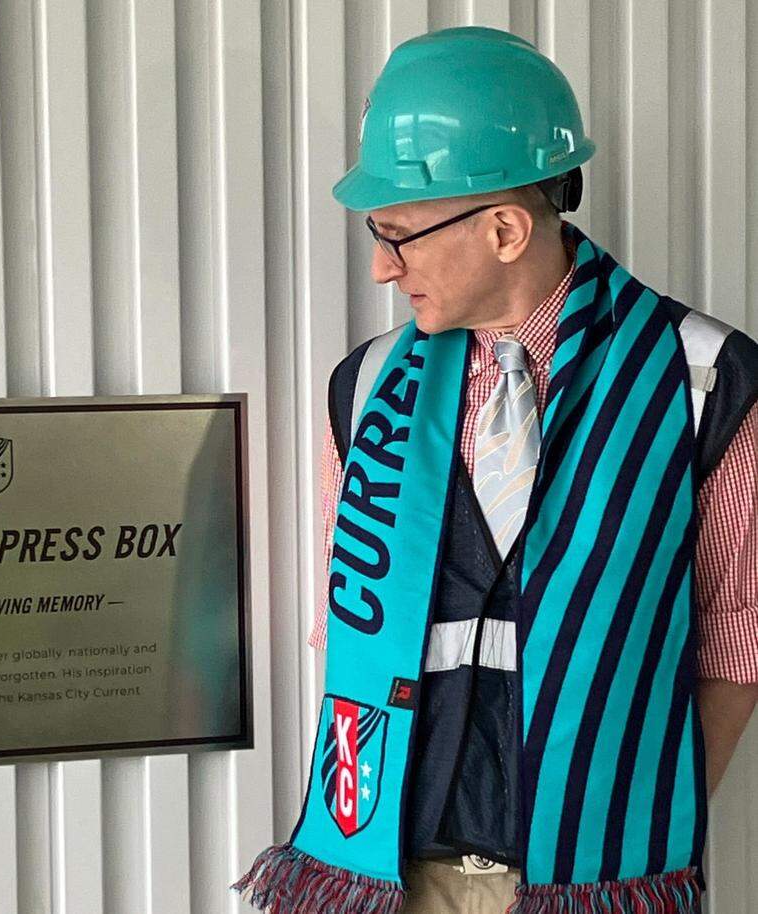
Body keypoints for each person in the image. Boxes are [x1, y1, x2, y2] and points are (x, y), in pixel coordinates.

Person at [232, 25, 758, 914]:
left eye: (397, 235)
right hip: (388, 875)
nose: (381, 267)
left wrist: (625, 822)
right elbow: (344, 628)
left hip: (600, 881)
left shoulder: (702, 380)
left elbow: (735, 644)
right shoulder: (366, 389)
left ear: (506, 229)